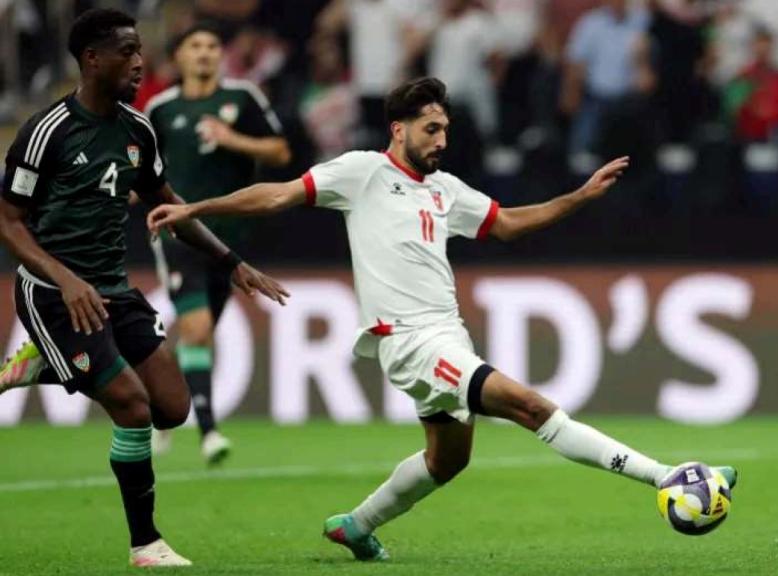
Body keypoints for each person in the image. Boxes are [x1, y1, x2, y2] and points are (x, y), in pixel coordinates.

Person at [146, 76, 737, 561]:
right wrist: (196, 208)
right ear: (398, 130)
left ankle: (356, 525)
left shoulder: (445, 189)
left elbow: (508, 223)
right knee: (531, 407)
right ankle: (668, 476)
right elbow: (276, 194)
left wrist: (578, 197)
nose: (442, 140)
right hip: (408, 341)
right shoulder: (362, 172)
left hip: (448, 335)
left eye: (446, 129)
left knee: (448, 459)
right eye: (431, 129)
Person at [0, 9, 288, 567]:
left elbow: (169, 205)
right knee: (132, 407)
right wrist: (65, 278)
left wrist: (233, 262)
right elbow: (8, 221)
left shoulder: (138, 130)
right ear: (92, 60)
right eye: (127, 52)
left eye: (139, 50)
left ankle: (44, 364)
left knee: (171, 408)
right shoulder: (46, 131)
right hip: (53, 292)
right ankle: (145, 543)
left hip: (113, 288)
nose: (139, 62)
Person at [144, 22, 292, 464]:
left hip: (228, 240)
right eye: (195, 46)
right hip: (178, 234)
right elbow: (144, 169)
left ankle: (161, 405)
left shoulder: (242, 97)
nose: (205, 53)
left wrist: (232, 139)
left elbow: (281, 152)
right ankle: (209, 432)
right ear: (179, 57)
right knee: (197, 328)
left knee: (199, 334)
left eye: (212, 45)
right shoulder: (161, 109)